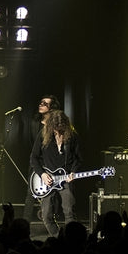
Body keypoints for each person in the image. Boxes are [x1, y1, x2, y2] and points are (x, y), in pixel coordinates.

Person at [29, 109, 82, 238]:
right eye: (56, 129)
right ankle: (58, 238)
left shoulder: (73, 137)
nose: (58, 132)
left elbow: (78, 159)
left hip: (65, 179)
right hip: (48, 180)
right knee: (46, 215)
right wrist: (42, 174)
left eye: (62, 129)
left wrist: (73, 172)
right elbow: (33, 158)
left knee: (69, 212)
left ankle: (71, 239)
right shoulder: (43, 135)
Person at [22, 94, 61, 222]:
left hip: (52, 163)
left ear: (51, 108)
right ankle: (25, 223)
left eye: (45, 103)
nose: (41, 105)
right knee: (30, 193)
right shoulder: (34, 122)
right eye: (41, 102)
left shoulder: (57, 124)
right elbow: (31, 142)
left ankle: (51, 221)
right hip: (36, 162)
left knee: (53, 193)